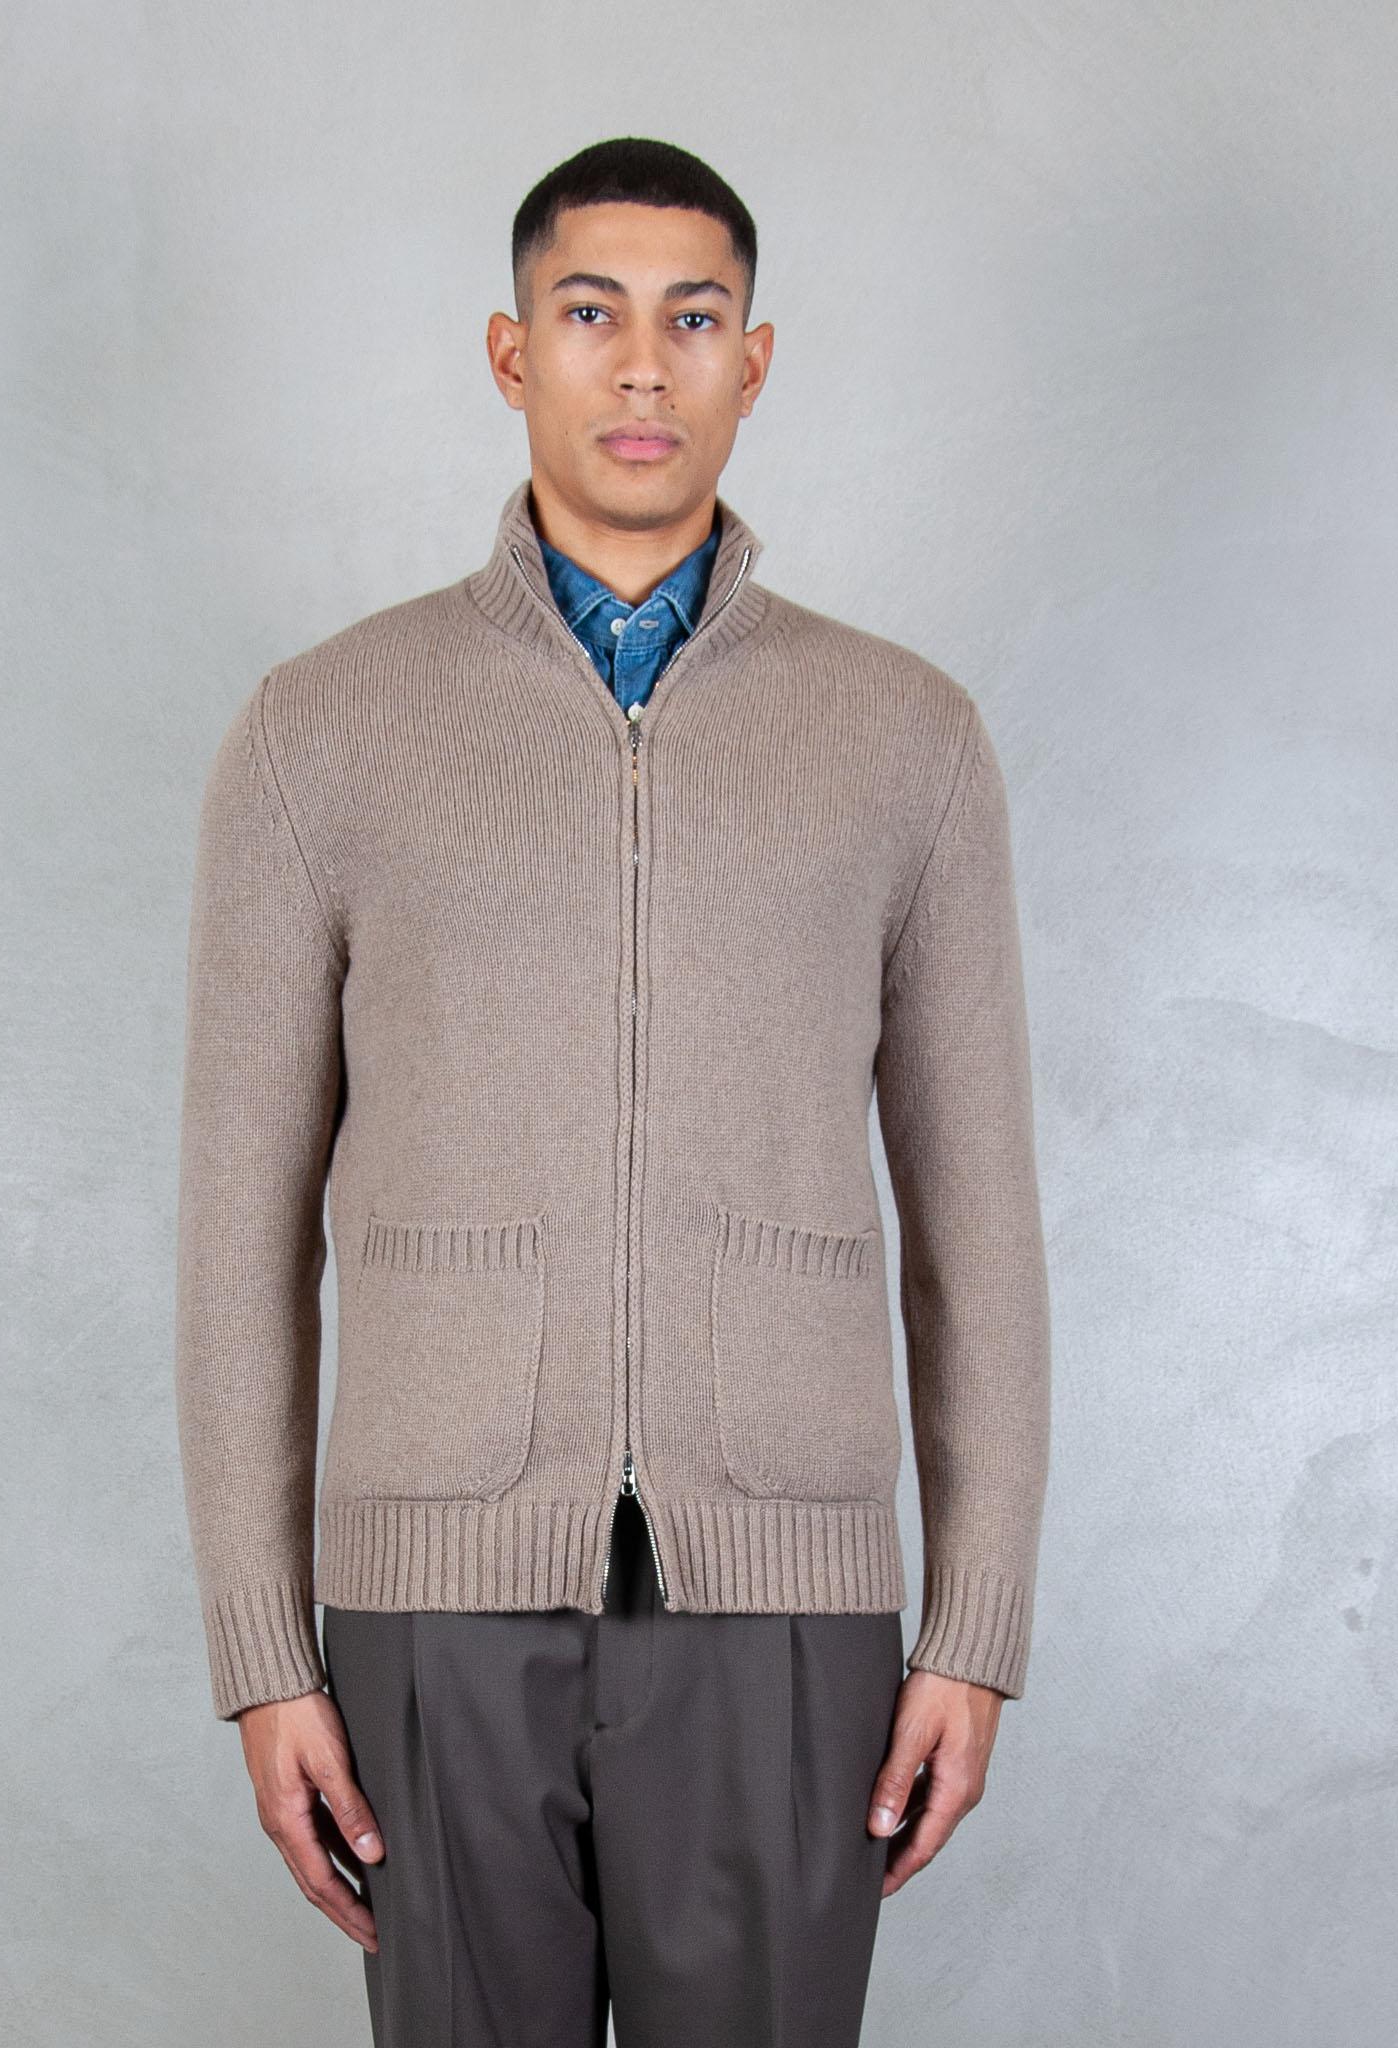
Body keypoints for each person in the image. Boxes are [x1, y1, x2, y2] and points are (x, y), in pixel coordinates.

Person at [174, 133, 1051, 2047]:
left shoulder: (906, 739)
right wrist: (263, 1654)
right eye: (590, 315)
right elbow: (238, 1236)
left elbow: (976, 1230)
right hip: (428, 1601)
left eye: (692, 318)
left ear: (754, 361)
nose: (642, 364)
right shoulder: (320, 730)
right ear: (511, 353)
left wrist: (972, 1628)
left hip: (787, 1605)